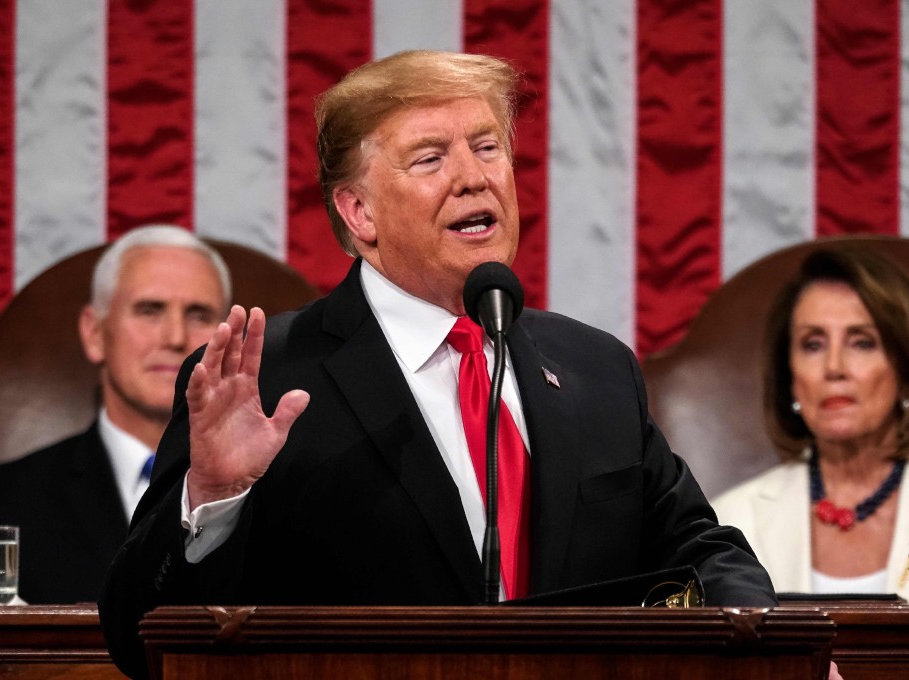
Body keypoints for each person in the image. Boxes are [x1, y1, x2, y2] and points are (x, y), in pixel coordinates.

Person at [98, 51, 778, 680]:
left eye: (487, 148)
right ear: (359, 212)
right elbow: (136, 638)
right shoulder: (268, 381)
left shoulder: (595, 368)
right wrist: (212, 498)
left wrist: (773, 649)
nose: (474, 177)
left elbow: (700, 551)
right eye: (430, 159)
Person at [0, 225, 231, 604]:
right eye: (149, 310)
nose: (176, 337)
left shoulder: (282, 497)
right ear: (95, 332)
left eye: (199, 314)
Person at [712, 247, 909, 599]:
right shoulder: (731, 521)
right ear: (790, 377)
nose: (834, 367)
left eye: (862, 342)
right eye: (813, 345)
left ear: (908, 372)